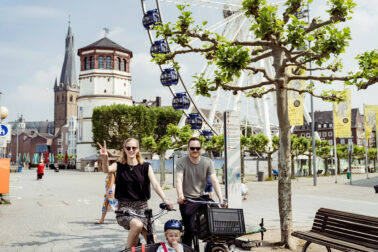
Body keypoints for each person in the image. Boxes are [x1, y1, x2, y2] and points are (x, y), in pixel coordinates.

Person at [97, 138, 174, 249]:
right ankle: (128, 250)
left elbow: (156, 185)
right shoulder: (119, 166)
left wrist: (165, 199)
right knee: (137, 225)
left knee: (153, 242)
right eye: (128, 148)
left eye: (134, 148)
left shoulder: (146, 167)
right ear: (124, 149)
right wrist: (104, 158)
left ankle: (137, 245)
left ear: (138, 149)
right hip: (125, 209)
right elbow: (106, 169)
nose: (131, 150)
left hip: (143, 208)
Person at [176, 137, 225, 247]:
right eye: (192, 148)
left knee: (217, 216)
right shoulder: (181, 162)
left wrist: (221, 199)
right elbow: (179, 179)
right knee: (190, 229)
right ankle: (185, 248)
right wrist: (180, 195)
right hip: (187, 199)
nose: (195, 150)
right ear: (188, 148)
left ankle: (210, 244)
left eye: (197, 148)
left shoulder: (207, 162)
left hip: (201, 197)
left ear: (201, 149)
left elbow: (214, 180)